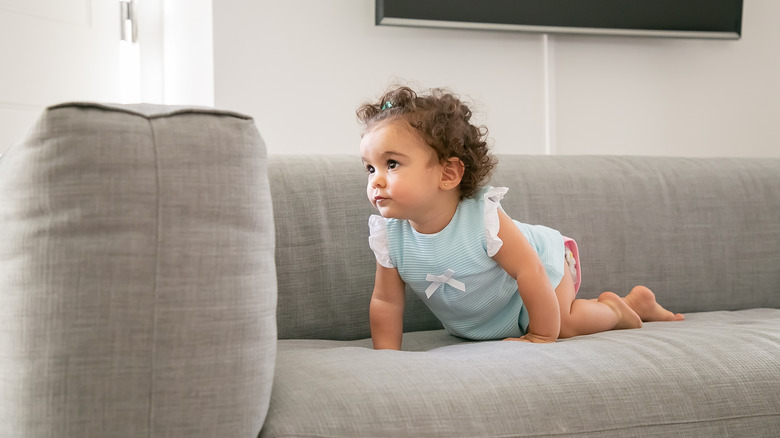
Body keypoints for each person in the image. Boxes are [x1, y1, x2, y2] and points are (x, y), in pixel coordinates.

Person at [357, 85, 684, 350]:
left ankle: (621, 307)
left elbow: (530, 270)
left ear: (448, 173)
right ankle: (630, 304)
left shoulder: (482, 220)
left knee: (565, 325)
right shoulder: (390, 236)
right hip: (493, 309)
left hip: (543, 262)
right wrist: (388, 357)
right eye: (370, 168)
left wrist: (541, 335)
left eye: (392, 164)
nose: (376, 180)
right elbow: (386, 301)